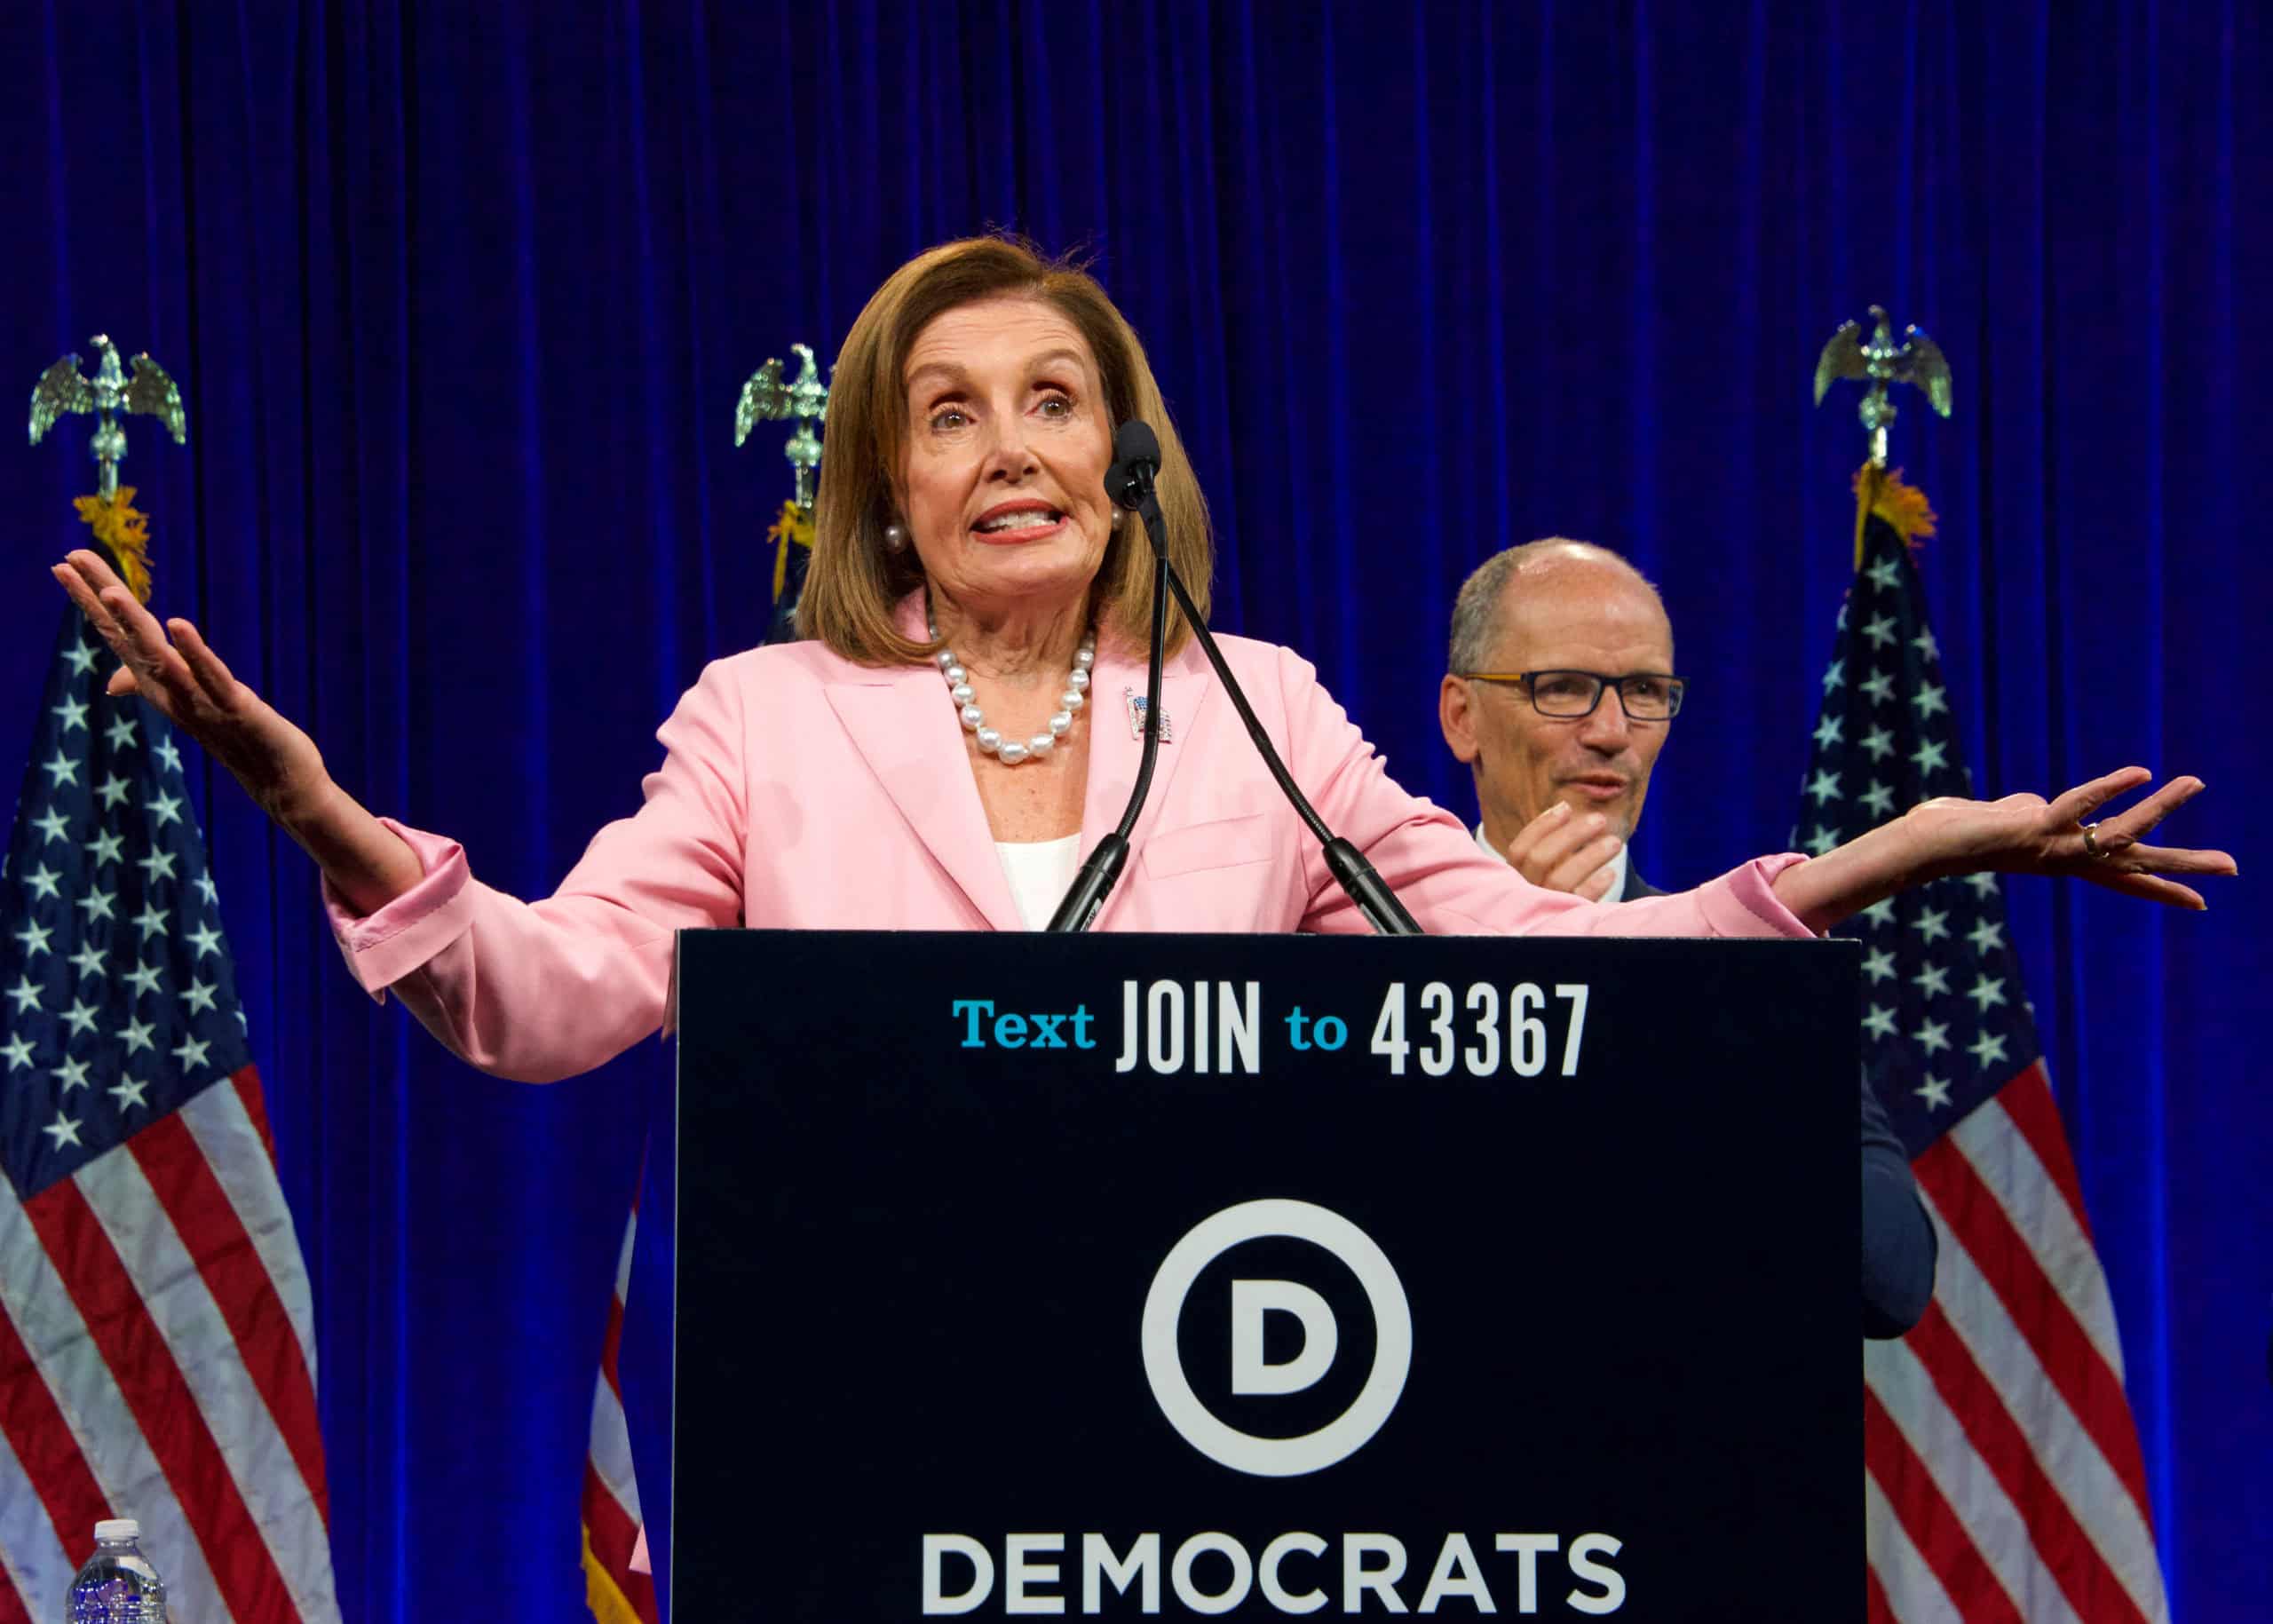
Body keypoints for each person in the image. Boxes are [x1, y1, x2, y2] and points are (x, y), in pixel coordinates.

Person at [51, 237, 2234, 1092]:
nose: (1009, 446)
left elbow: (1533, 967)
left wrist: (1872, 861)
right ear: (888, 495)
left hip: (1204, 1415)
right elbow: (536, 1008)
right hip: (872, 1428)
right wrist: (323, 822)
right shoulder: (768, 721)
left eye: (1053, 399)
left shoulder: (1265, 717)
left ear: (1121, 452)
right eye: (948, 410)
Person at [1440, 538, 1939, 1335]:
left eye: (1644, 691)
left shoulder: (1745, 975)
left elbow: (1890, 1278)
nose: (1612, 731)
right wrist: (1503, 965)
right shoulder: (1364, 953)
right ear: (1462, 717)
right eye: (1563, 688)